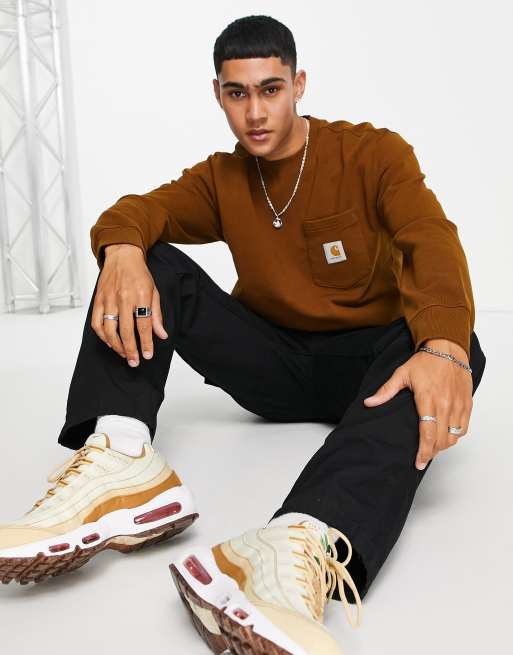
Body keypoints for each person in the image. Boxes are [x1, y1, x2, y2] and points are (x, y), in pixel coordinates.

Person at [0, 13, 486, 655]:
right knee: (147, 259)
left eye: (270, 89)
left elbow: (430, 238)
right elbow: (139, 211)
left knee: (458, 347)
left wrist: (443, 347)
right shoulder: (223, 178)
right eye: (238, 93)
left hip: (369, 370)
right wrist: (121, 251)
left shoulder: (371, 154)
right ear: (219, 95)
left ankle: (297, 542)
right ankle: (121, 457)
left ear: (298, 85)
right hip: (273, 366)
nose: (255, 112)